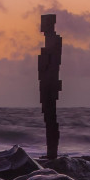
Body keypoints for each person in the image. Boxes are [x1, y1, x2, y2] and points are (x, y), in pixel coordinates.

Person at [37, 13, 63, 160]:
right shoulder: (49, 40)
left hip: (50, 83)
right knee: (48, 118)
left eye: (44, 22)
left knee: (51, 118)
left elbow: (51, 63)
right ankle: (51, 151)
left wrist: (43, 62)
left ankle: (52, 152)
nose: (41, 25)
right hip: (47, 82)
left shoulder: (54, 40)